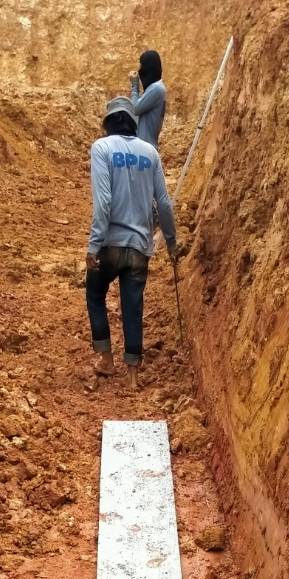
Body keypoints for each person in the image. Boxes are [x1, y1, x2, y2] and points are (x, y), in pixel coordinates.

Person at [86, 96, 177, 382]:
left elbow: (103, 202)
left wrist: (94, 244)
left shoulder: (101, 148)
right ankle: (133, 373)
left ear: (108, 123)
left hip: (110, 244)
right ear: (133, 123)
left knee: (95, 294)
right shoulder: (150, 153)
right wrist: (172, 242)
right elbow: (163, 203)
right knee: (133, 305)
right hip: (139, 246)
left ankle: (105, 358)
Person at [129, 49, 167, 149]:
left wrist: (134, 85)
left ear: (148, 67)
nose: (139, 70)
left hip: (145, 148)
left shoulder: (156, 88)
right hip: (145, 146)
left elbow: (135, 108)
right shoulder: (154, 88)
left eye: (141, 66)